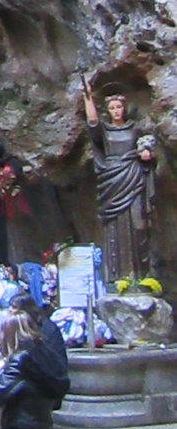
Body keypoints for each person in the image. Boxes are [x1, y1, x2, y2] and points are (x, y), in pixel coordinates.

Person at [82, 76, 156, 281]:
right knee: (115, 228)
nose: (116, 111)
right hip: (113, 180)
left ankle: (142, 275)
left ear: (124, 108)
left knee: (139, 225)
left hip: (133, 178)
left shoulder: (135, 129)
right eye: (112, 108)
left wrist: (147, 154)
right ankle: (119, 277)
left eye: (119, 107)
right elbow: (93, 123)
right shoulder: (104, 131)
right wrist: (87, 98)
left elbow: (147, 148)